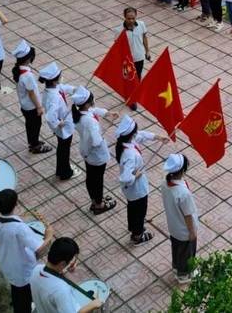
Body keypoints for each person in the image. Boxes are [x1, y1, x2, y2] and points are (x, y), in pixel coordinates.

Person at [0, 189, 53, 313]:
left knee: (16, 288)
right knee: (23, 293)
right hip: (22, 268)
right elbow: (39, 247)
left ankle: (17, 302)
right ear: (16, 204)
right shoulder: (19, 228)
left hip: (5, 263)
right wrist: (48, 236)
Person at [115, 115, 168, 245]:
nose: (137, 133)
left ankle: (133, 227)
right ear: (131, 134)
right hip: (136, 189)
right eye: (135, 132)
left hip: (133, 191)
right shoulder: (130, 155)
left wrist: (159, 137)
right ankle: (137, 235)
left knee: (133, 209)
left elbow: (143, 135)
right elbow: (126, 178)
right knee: (139, 211)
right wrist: (135, 176)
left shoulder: (126, 142)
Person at [71, 88, 118, 215]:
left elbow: (95, 111)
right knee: (97, 180)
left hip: (86, 150)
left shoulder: (79, 111)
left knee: (91, 177)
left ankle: (94, 201)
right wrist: (101, 137)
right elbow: (96, 141)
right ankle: (99, 204)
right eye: (91, 100)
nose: (93, 102)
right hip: (96, 154)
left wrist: (108, 113)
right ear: (86, 104)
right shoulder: (90, 122)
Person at [30, 237, 104, 312]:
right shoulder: (62, 290)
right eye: (72, 260)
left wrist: (64, 269)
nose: (73, 262)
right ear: (62, 264)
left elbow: (52, 277)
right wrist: (94, 304)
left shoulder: (37, 269)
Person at [162, 153, 199, 284]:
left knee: (177, 248)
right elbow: (188, 214)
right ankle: (184, 274)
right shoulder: (183, 193)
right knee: (186, 251)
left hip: (174, 225)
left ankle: (177, 266)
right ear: (183, 170)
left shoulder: (166, 183)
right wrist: (192, 231)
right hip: (184, 229)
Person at [40, 62, 81, 181]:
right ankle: (65, 172)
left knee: (63, 148)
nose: (60, 79)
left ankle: (62, 169)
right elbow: (50, 115)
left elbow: (63, 88)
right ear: (54, 81)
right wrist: (57, 123)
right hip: (63, 127)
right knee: (64, 150)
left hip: (64, 124)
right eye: (59, 77)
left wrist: (74, 89)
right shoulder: (54, 97)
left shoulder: (52, 89)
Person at [11, 40, 51, 154]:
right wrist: (39, 107)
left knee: (29, 125)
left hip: (25, 106)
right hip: (31, 106)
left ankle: (33, 142)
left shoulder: (18, 70)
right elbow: (32, 93)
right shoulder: (27, 75)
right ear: (28, 59)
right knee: (35, 126)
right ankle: (35, 146)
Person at [115, 7, 150, 111]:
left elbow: (144, 38)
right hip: (127, 60)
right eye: (128, 18)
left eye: (133, 18)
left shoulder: (141, 24)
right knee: (129, 79)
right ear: (124, 17)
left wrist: (147, 51)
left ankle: (135, 95)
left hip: (139, 57)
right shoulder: (119, 30)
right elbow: (117, 47)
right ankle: (131, 100)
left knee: (138, 77)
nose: (131, 21)